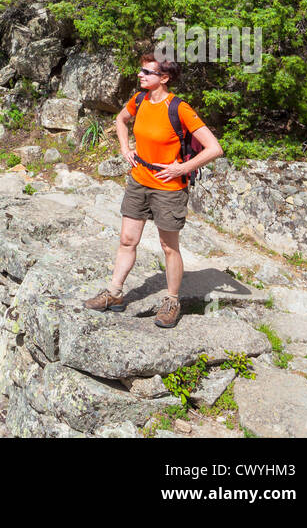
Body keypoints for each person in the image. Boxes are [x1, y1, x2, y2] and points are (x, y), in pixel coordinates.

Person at [83, 51, 223, 327]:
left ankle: (172, 300)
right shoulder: (139, 100)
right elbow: (121, 120)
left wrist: (182, 168)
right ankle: (114, 294)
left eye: (147, 72)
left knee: (168, 247)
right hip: (139, 179)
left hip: (169, 188)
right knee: (127, 240)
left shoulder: (179, 108)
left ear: (164, 78)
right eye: (141, 71)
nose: (140, 75)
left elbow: (214, 148)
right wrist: (125, 147)